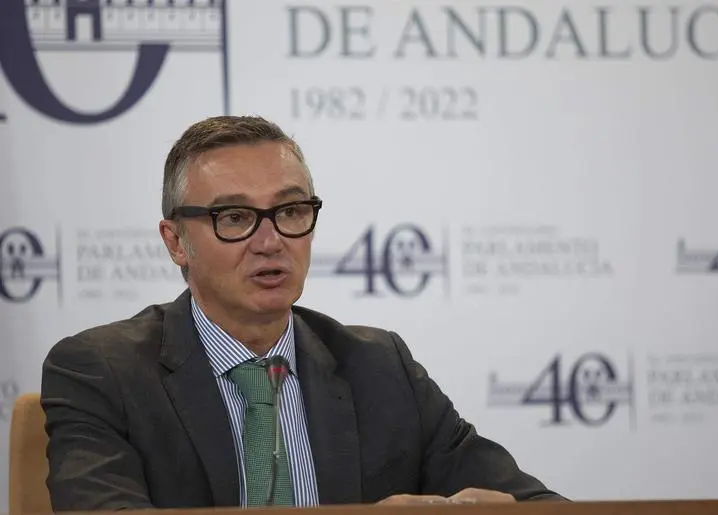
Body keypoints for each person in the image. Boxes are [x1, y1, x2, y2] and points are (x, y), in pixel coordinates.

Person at [40, 116, 566, 510]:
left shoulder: (382, 368)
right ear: (175, 241)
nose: (270, 241)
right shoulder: (100, 372)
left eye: (291, 211)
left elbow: (540, 505)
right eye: (236, 217)